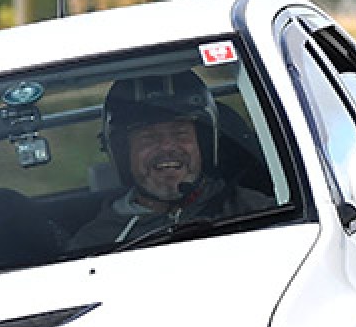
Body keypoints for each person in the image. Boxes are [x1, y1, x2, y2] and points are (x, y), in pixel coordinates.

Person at [71, 70, 274, 248]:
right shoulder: (96, 242)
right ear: (123, 154)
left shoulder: (255, 210)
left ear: (203, 145)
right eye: (149, 138)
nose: (167, 147)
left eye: (180, 134)